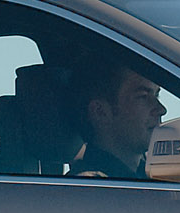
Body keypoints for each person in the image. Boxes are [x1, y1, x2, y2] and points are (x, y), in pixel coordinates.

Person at [68, 52, 167, 180]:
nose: (161, 109)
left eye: (156, 95)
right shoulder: (91, 189)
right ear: (100, 111)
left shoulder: (150, 178)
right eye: (143, 97)